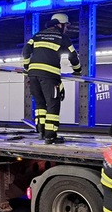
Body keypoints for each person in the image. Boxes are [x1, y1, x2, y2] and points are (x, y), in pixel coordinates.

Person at [22, 13, 82, 144]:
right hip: (50, 76)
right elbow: (73, 56)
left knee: (40, 104)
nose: (66, 28)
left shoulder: (37, 36)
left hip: (33, 75)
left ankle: (41, 132)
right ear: (59, 25)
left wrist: (27, 67)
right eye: (65, 25)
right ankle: (50, 136)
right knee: (53, 104)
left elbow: (26, 50)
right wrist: (77, 71)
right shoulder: (62, 37)